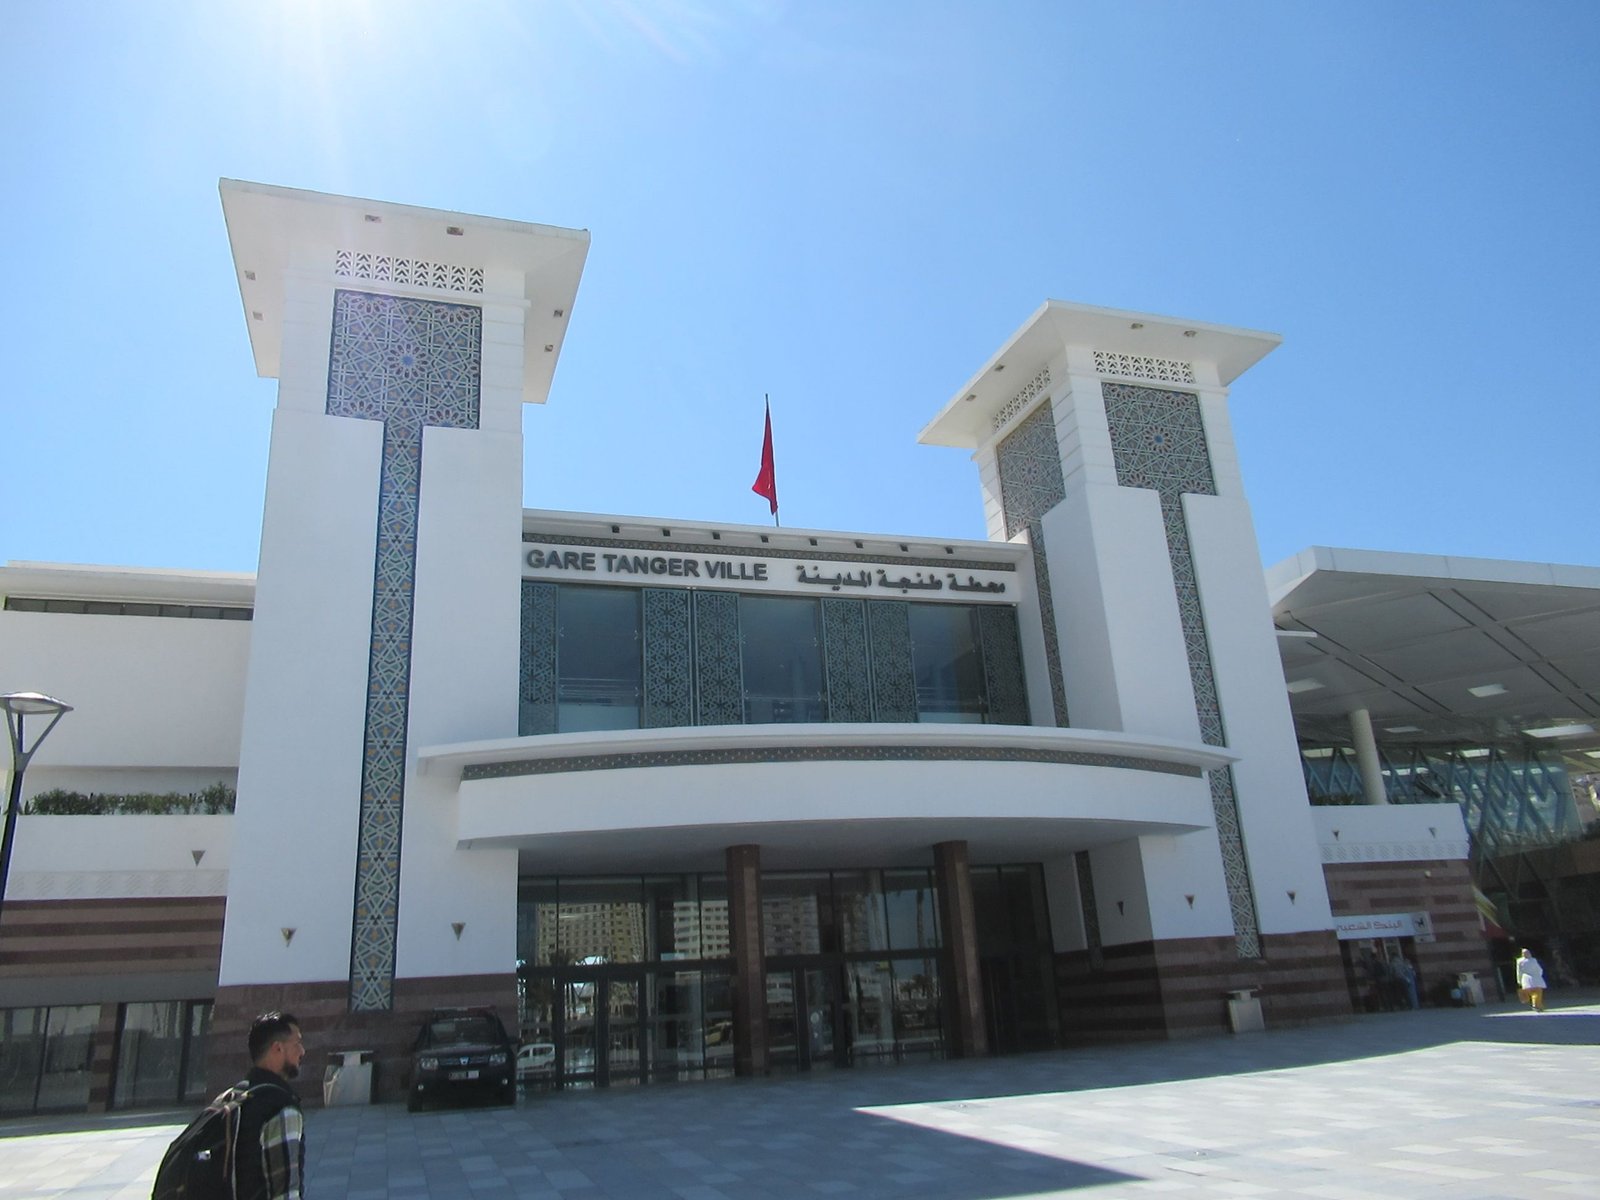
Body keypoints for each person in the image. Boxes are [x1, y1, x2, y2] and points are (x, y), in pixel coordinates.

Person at [235, 1011, 307, 1200]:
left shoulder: (233, 1097)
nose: (302, 1051)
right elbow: (286, 1192)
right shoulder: (280, 1107)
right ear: (277, 1049)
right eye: (297, 1043)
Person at [1515, 949, 1547, 1013]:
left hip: (1526, 978)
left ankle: (1538, 1005)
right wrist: (1539, 975)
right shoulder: (1533, 960)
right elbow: (1539, 969)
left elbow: (1519, 972)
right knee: (1537, 992)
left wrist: (1519, 980)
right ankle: (1536, 1005)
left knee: (1533, 993)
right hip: (1535, 977)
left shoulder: (1519, 961)